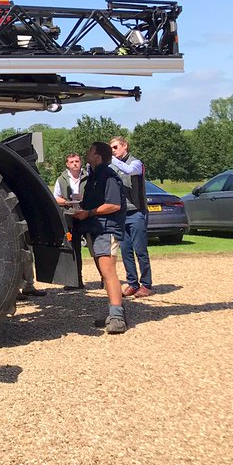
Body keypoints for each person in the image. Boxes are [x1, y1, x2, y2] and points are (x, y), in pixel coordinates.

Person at [72, 142, 127, 334]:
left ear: (98, 156)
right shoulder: (95, 176)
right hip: (96, 228)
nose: (87, 153)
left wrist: (88, 213)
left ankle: (118, 318)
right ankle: (114, 313)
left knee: (108, 271)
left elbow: (114, 205)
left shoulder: (108, 177)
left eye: (90, 151)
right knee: (103, 272)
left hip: (106, 229)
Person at [111, 135, 152, 297]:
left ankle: (147, 284)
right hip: (121, 214)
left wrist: (111, 160)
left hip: (136, 212)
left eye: (115, 147)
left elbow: (128, 170)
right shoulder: (113, 165)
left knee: (140, 250)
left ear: (124, 146)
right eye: (111, 149)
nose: (113, 151)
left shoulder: (136, 163)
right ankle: (132, 283)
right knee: (125, 250)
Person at [54, 152, 86, 270]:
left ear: (80, 162)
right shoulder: (61, 179)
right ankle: (77, 279)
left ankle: (105, 279)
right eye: (72, 162)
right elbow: (56, 198)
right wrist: (67, 202)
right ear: (67, 164)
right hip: (70, 216)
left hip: (87, 214)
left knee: (95, 248)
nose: (75, 164)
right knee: (73, 247)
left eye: (77, 161)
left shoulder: (88, 176)